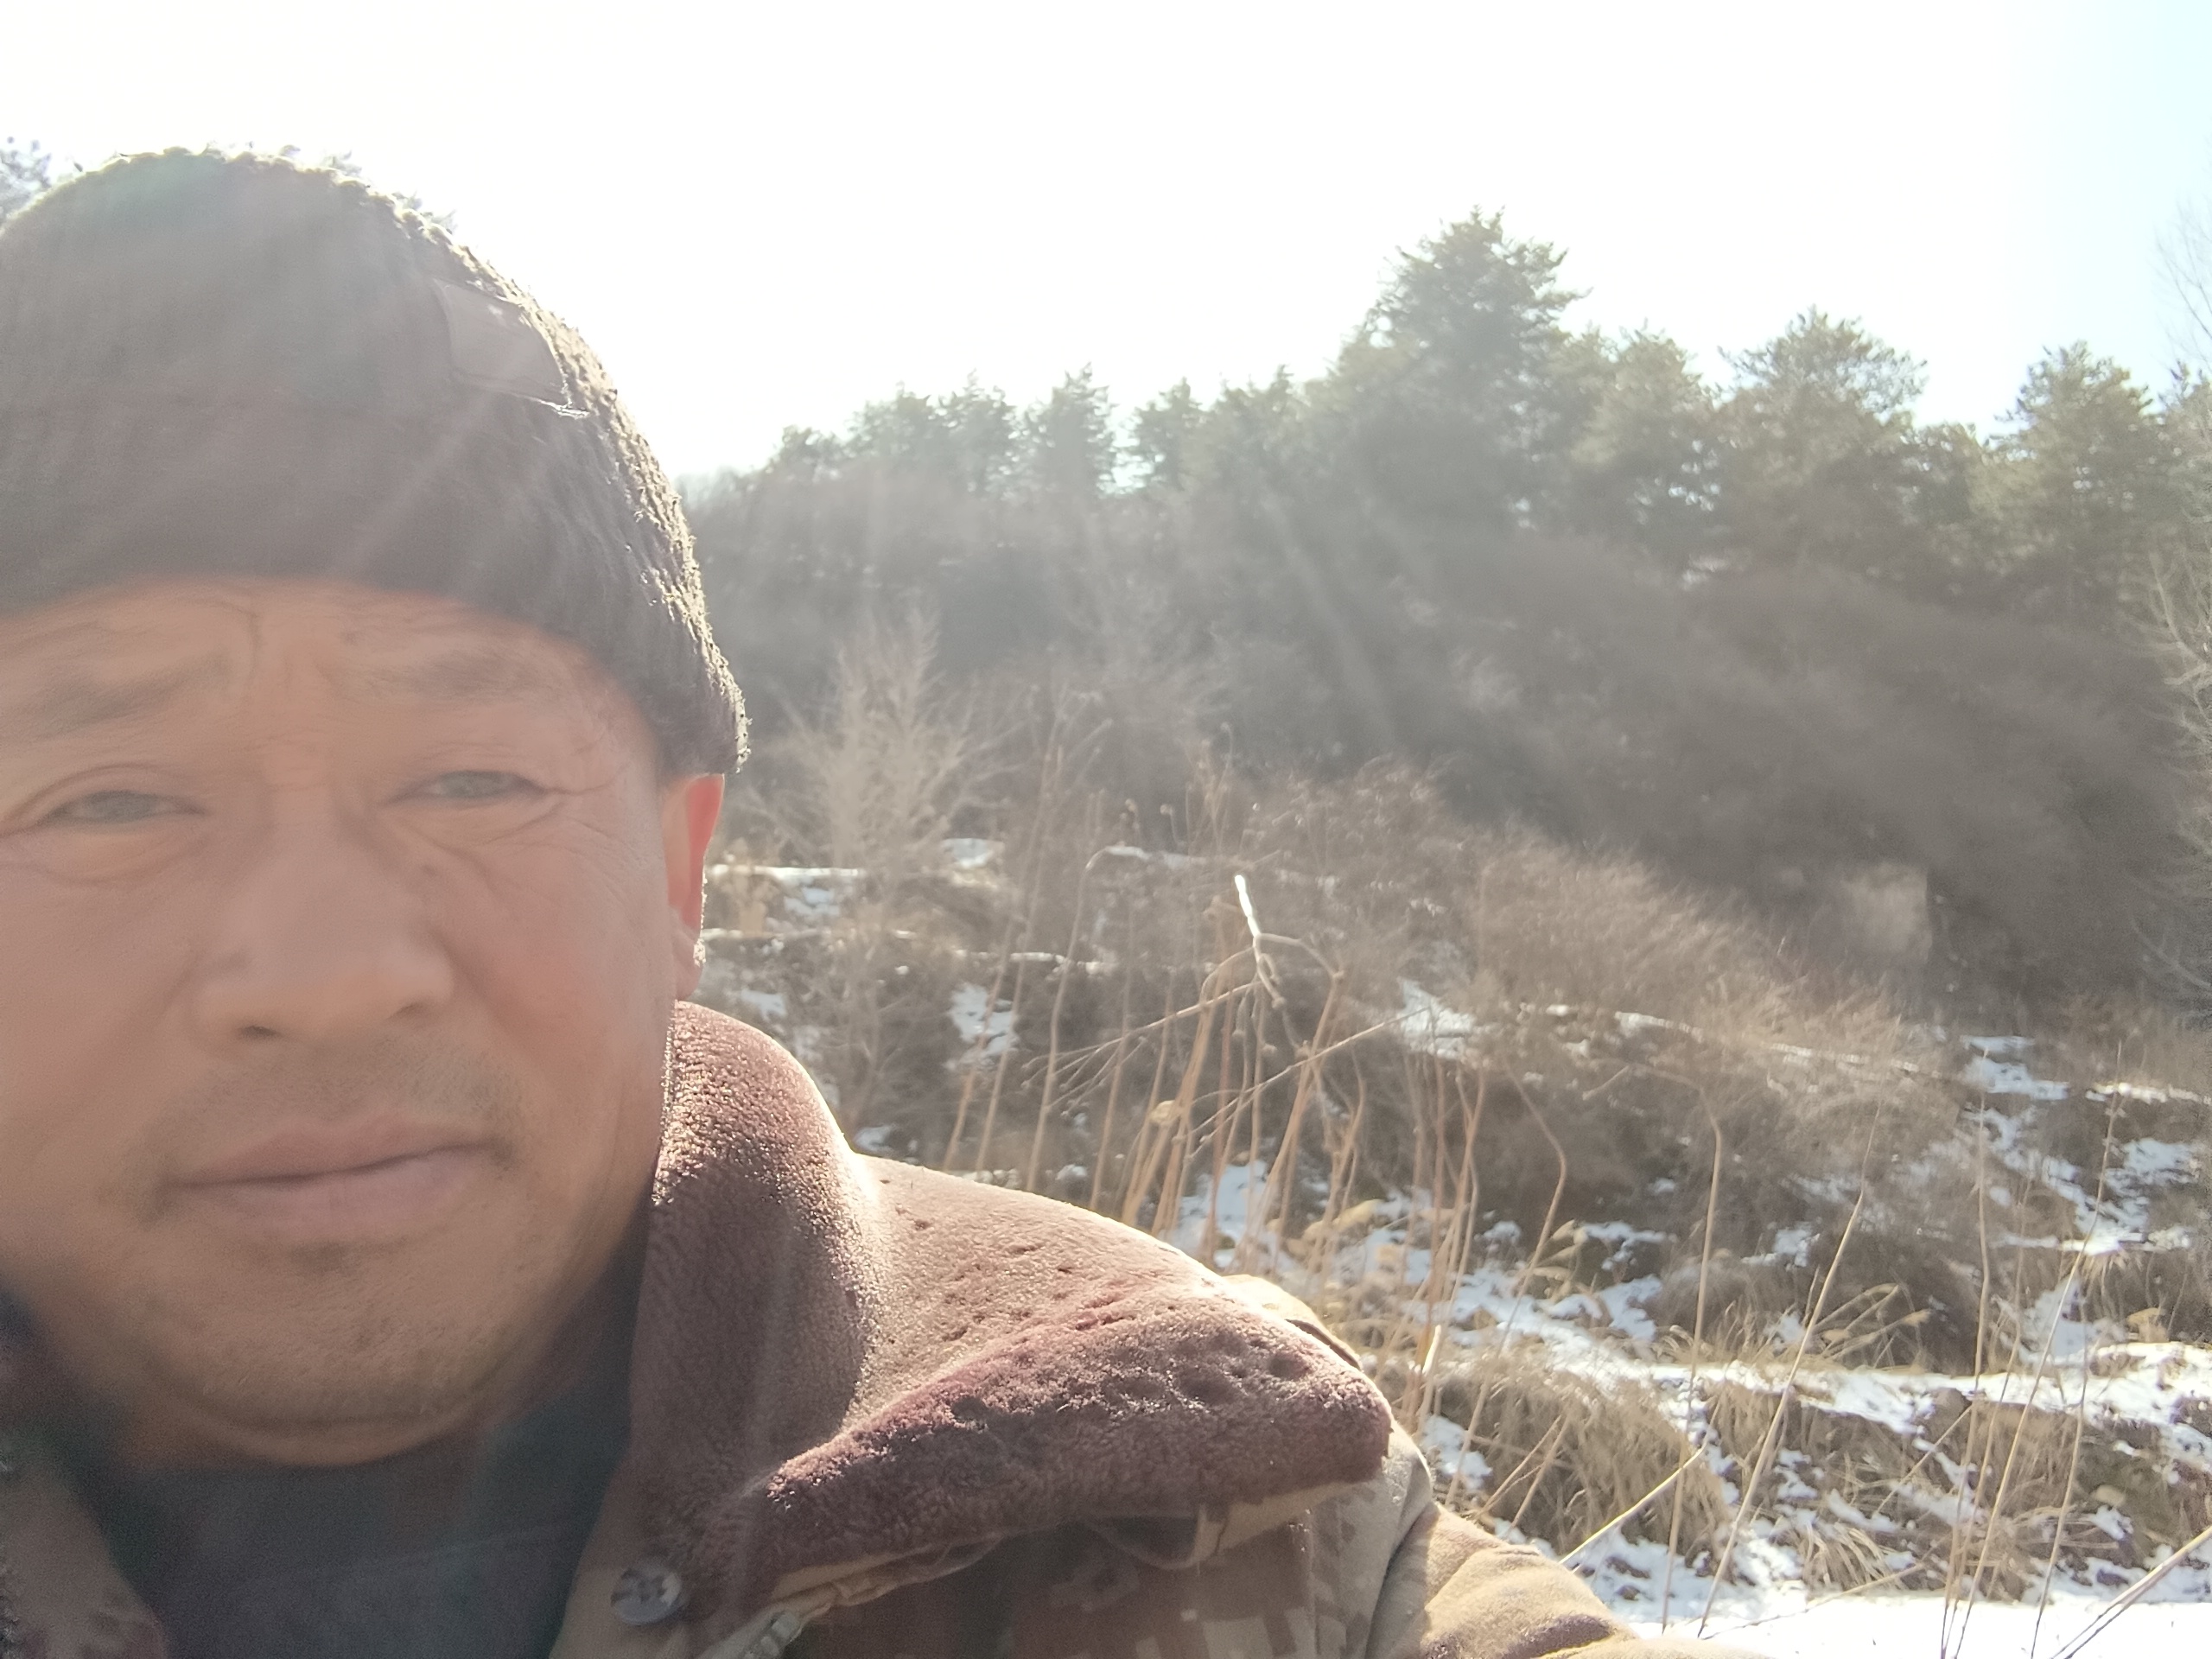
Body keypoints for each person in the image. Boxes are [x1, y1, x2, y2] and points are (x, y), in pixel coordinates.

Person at [0, 151, 1754, 1659]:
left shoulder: (1217, 1505)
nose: (324, 972)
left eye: (473, 781)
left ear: (676, 873)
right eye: (110, 800)